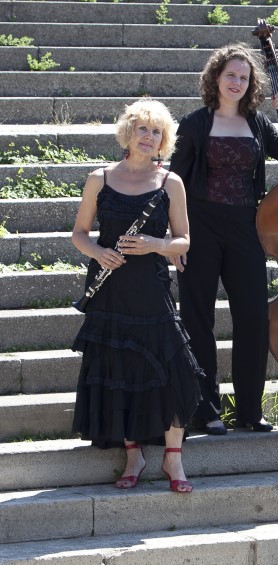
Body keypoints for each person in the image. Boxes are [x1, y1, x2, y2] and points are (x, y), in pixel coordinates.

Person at [169, 42, 278, 435]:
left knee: (254, 318)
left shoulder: (258, 123)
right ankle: (205, 409)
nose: (237, 82)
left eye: (244, 78)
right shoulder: (195, 123)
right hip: (200, 226)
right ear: (216, 77)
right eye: (231, 75)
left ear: (251, 84)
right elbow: (173, 183)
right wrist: (174, 236)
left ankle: (249, 409)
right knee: (197, 317)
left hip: (247, 227)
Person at [71, 99, 203, 493]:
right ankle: (133, 456)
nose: (149, 137)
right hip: (110, 288)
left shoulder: (170, 183)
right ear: (128, 132)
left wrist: (154, 243)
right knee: (120, 370)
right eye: (142, 128)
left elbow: (184, 239)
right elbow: (79, 233)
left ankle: (172, 460)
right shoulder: (99, 178)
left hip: (151, 287)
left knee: (174, 369)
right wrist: (96, 251)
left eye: (156, 131)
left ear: (165, 140)